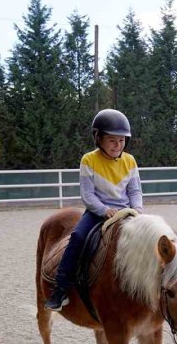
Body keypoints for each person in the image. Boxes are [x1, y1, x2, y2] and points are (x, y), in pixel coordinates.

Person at [45, 109, 143, 311]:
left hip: (127, 213)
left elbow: (134, 190)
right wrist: (105, 210)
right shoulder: (88, 160)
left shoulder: (130, 161)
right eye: (112, 140)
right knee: (77, 238)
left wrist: (138, 209)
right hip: (97, 212)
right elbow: (88, 195)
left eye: (122, 140)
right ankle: (60, 289)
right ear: (99, 139)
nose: (118, 145)